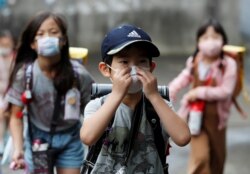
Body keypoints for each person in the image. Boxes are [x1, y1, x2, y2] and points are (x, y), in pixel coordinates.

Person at [80, 24, 191, 173]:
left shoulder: (158, 106)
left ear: (151, 68)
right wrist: (117, 94)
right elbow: (88, 137)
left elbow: (183, 138)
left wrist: (154, 95)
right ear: (106, 69)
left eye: (141, 62)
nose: (134, 69)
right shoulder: (98, 105)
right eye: (124, 62)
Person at [5, 11, 94, 174]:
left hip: (70, 139)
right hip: (38, 141)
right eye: (40, 34)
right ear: (32, 43)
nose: (47, 38)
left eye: (53, 32)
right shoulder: (25, 75)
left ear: (63, 40)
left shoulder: (79, 75)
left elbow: (92, 112)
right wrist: (18, 149)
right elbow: (15, 116)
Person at [168, 19, 237, 174]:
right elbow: (184, 77)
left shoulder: (228, 64)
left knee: (217, 159)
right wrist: (170, 91)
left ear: (223, 40)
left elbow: (226, 91)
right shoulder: (195, 60)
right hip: (195, 118)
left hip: (217, 120)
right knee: (201, 157)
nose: (210, 42)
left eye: (215, 37)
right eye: (205, 37)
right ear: (198, 41)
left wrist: (198, 92)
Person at [0, 29, 15, 155]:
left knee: (13, 115)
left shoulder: (16, 59)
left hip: (13, 94)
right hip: (1, 94)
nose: (5, 48)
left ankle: (13, 145)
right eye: (2, 45)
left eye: (7, 45)